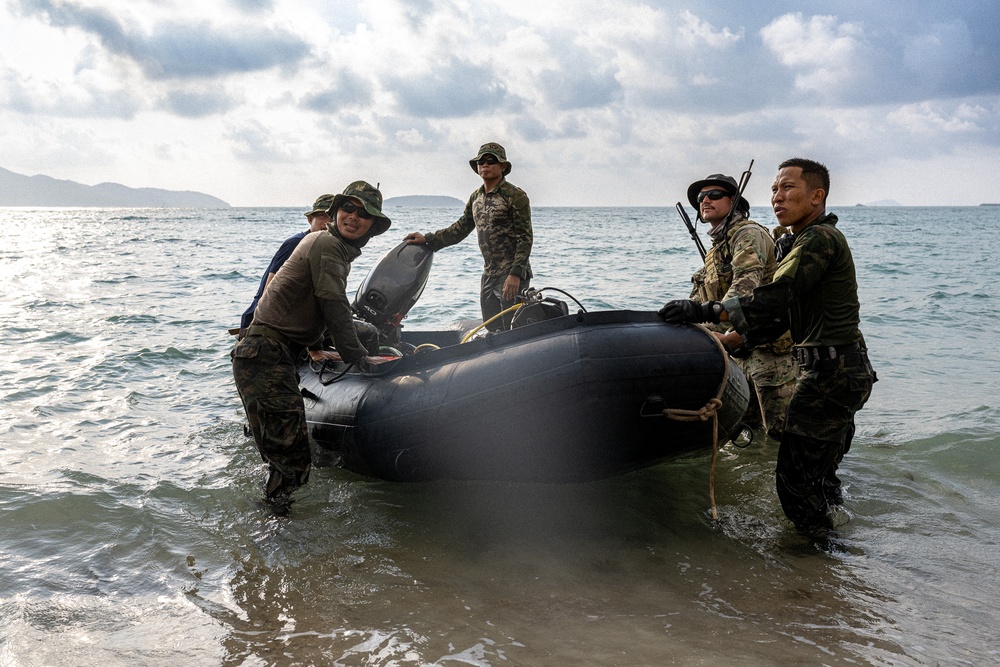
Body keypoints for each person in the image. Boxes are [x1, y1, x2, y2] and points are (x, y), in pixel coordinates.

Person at [659, 159, 876, 534]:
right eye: (774, 189)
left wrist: (705, 310)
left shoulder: (818, 239)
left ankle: (818, 562)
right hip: (837, 372)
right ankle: (834, 547)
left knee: (794, 481)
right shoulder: (801, 241)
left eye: (788, 188)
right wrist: (734, 340)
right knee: (817, 476)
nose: (777, 196)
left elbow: (775, 298)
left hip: (832, 374)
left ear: (817, 196)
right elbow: (782, 317)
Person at [231, 181, 391, 505]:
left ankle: (274, 529)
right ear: (335, 211)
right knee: (293, 465)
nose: (354, 217)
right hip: (266, 354)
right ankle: (275, 539)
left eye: (364, 213)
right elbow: (333, 306)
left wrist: (316, 346)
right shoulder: (327, 245)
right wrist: (358, 358)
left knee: (285, 460)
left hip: (270, 352)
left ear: (373, 226)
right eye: (348, 208)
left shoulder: (329, 247)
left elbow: (307, 308)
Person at [683, 173, 796, 440]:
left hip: (769, 355)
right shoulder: (717, 248)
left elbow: (743, 290)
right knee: (750, 436)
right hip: (740, 355)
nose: (705, 200)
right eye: (701, 198)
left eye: (714, 195)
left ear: (734, 201)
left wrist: (712, 327)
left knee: (782, 437)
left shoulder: (747, 234)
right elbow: (702, 297)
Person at [403, 142, 532, 331]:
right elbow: (460, 229)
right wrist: (428, 239)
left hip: (511, 274)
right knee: (492, 326)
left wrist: (515, 275)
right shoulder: (476, 198)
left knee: (512, 329)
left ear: (503, 166)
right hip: (489, 274)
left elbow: (525, 237)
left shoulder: (515, 196)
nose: (485, 165)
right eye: (481, 162)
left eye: (491, 161)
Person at [238, 194, 335, 337]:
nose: (327, 223)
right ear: (310, 219)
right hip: (265, 323)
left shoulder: (325, 248)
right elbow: (270, 288)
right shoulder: (297, 243)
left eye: (332, 218)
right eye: (322, 216)